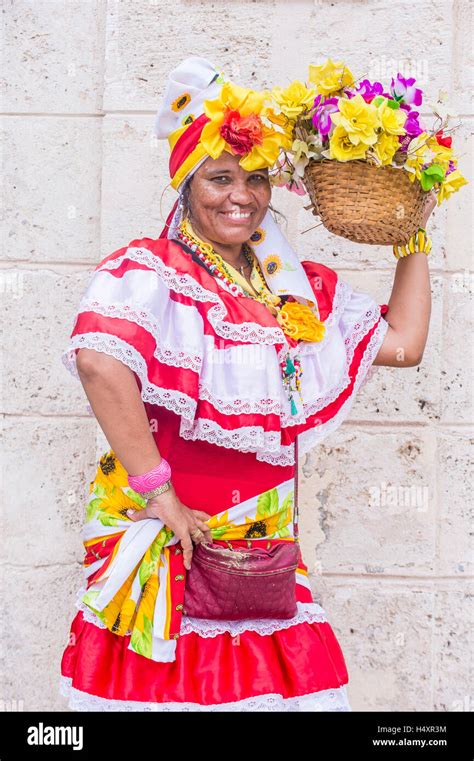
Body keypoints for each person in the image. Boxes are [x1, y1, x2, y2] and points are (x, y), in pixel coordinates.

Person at [58, 57, 435, 712]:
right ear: (185, 182)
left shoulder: (297, 290)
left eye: (256, 177)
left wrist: (413, 235)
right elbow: (98, 361)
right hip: (179, 550)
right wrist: (160, 493)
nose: (241, 195)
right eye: (220, 177)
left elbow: (403, 342)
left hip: (260, 563)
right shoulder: (151, 271)